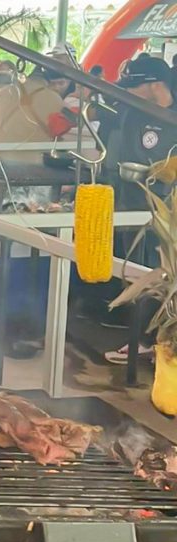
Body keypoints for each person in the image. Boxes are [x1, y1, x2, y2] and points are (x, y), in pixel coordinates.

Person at [105, 56, 177, 364]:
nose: (128, 91)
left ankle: (153, 341)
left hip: (168, 212)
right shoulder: (131, 112)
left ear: (155, 86)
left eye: (134, 86)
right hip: (133, 203)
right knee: (136, 272)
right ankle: (142, 339)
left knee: (163, 274)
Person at [0, 62, 74, 162]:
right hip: (36, 164)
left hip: (0, 163)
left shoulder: (4, 91)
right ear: (48, 82)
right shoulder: (55, 99)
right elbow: (66, 134)